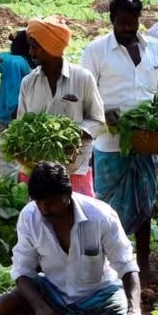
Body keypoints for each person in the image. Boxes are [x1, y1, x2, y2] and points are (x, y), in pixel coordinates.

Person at [0, 162, 147, 315]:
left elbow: (127, 265)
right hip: (54, 293)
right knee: (2, 306)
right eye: (38, 202)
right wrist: (40, 306)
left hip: (101, 299)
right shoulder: (30, 216)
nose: (43, 209)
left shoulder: (100, 216)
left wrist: (135, 311)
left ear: (68, 193)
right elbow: (22, 270)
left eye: (49, 203)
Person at [82, 0, 158, 279]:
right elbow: (86, 95)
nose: (128, 28)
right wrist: (105, 112)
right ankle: (110, 267)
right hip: (110, 144)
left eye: (132, 22)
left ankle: (142, 263)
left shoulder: (153, 48)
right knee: (109, 207)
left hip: (147, 142)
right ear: (112, 21)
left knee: (145, 202)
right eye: (122, 22)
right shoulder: (96, 50)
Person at [16, 15, 106, 196]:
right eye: (30, 46)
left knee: (78, 219)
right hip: (38, 172)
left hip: (73, 170)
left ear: (51, 47)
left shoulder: (82, 78)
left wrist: (74, 135)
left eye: (35, 46)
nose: (31, 52)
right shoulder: (28, 82)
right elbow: (21, 124)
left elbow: (98, 120)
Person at [0, 29, 33, 125]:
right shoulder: (18, 62)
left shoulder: (11, 60)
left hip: (7, 108)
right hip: (17, 109)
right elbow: (14, 88)